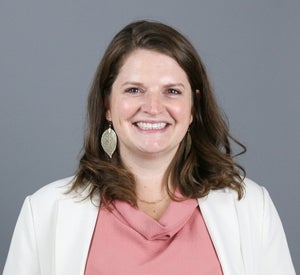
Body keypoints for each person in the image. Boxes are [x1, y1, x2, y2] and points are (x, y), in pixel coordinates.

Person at [3, 20, 295, 275]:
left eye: (172, 91)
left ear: (193, 107)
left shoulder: (251, 208)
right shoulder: (44, 212)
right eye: (134, 90)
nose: (153, 108)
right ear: (107, 105)